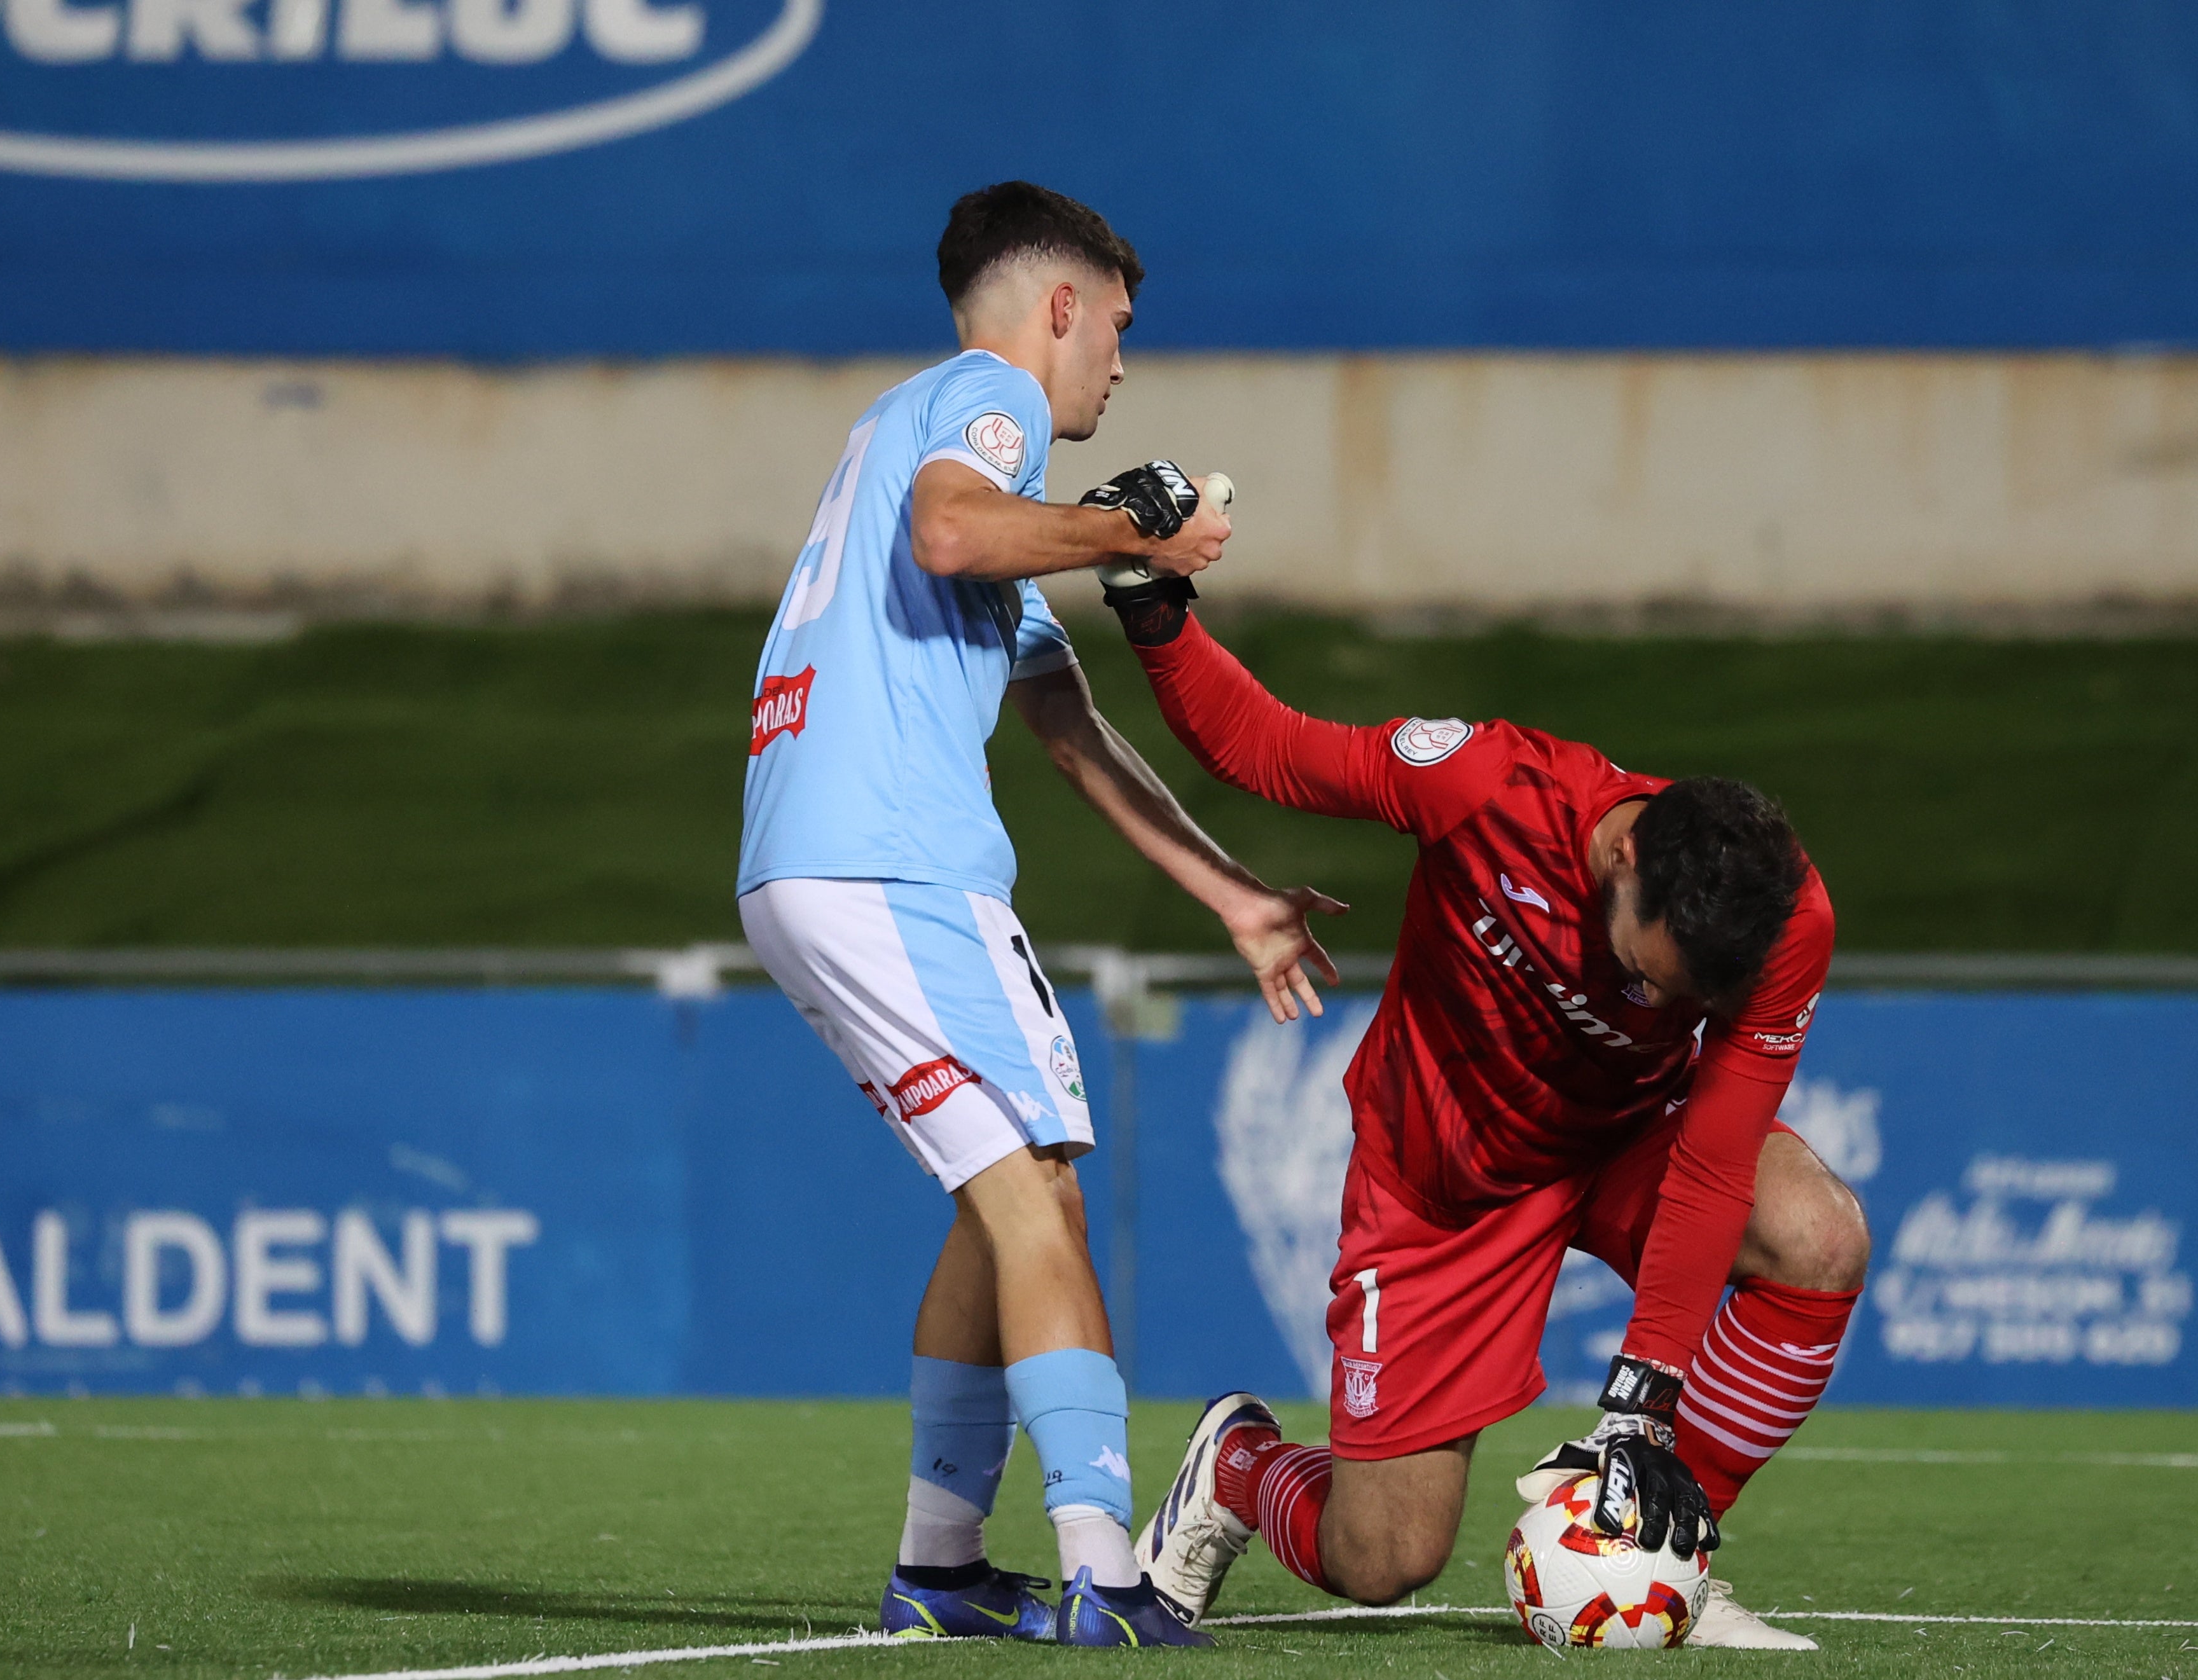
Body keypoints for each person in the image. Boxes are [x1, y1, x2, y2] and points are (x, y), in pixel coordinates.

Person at [735, 181, 1343, 1649]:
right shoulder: (987, 399)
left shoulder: (910, 431)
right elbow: (956, 533)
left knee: (993, 1189)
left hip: (800, 862)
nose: (1120, 364)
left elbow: (1069, 726)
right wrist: (1121, 518)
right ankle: (1102, 1566)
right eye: (1117, 327)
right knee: (1047, 1186)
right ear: (1058, 307)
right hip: (894, 862)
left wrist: (1236, 897)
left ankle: (939, 1563)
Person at [1105, 574, 1869, 1651]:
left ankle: (1659, 1553)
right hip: (1444, 1180)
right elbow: (1263, 744)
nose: (1656, 1004)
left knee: (1816, 1236)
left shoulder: (1785, 923)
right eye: (1647, 978)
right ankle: (1238, 1467)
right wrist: (1155, 615)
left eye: (1688, 998)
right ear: (1621, 857)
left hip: (1625, 1140)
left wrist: (1642, 1396)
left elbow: (1712, 1160)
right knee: (1381, 1559)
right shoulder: (1483, 785)